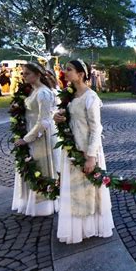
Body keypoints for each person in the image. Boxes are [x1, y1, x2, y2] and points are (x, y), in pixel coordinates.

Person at [53, 59, 114, 244]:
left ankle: (89, 226)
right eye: (65, 69)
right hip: (72, 147)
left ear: (81, 74)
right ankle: (75, 228)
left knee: (88, 188)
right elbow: (70, 120)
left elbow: (96, 129)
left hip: (87, 148)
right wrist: (58, 118)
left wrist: (90, 157)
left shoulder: (91, 97)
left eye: (69, 70)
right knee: (73, 187)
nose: (65, 72)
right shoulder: (70, 96)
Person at [12, 62, 59, 216]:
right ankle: (30, 200)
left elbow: (44, 121)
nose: (23, 76)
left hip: (40, 136)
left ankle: (43, 204)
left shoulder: (43, 93)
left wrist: (27, 138)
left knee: (40, 167)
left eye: (27, 73)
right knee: (32, 165)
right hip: (30, 129)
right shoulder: (33, 91)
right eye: (23, 74)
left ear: (37, 74)